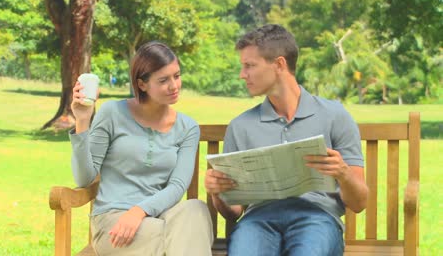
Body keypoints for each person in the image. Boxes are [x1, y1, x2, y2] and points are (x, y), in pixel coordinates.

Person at [204, 24, 369, 256]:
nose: (242, 74)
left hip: (317, 217)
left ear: (279, 64)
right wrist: (217, 193)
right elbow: (234, 211)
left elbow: (359, 203)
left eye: (249, 65)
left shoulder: (335, 116)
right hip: (258, 220)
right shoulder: (240, 126)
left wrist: (343, 173)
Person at [70, 41, 213, 256]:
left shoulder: (187, 127)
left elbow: (177, 186)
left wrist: (139, 211)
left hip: (159, 215)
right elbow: (84, 179)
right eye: (164, 80)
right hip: (114, 222)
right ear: (142, 84)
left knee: (196, 209)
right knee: (185, 235)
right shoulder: (112, 113)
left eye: (177, 75)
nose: (174, 86)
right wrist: (82, 121)